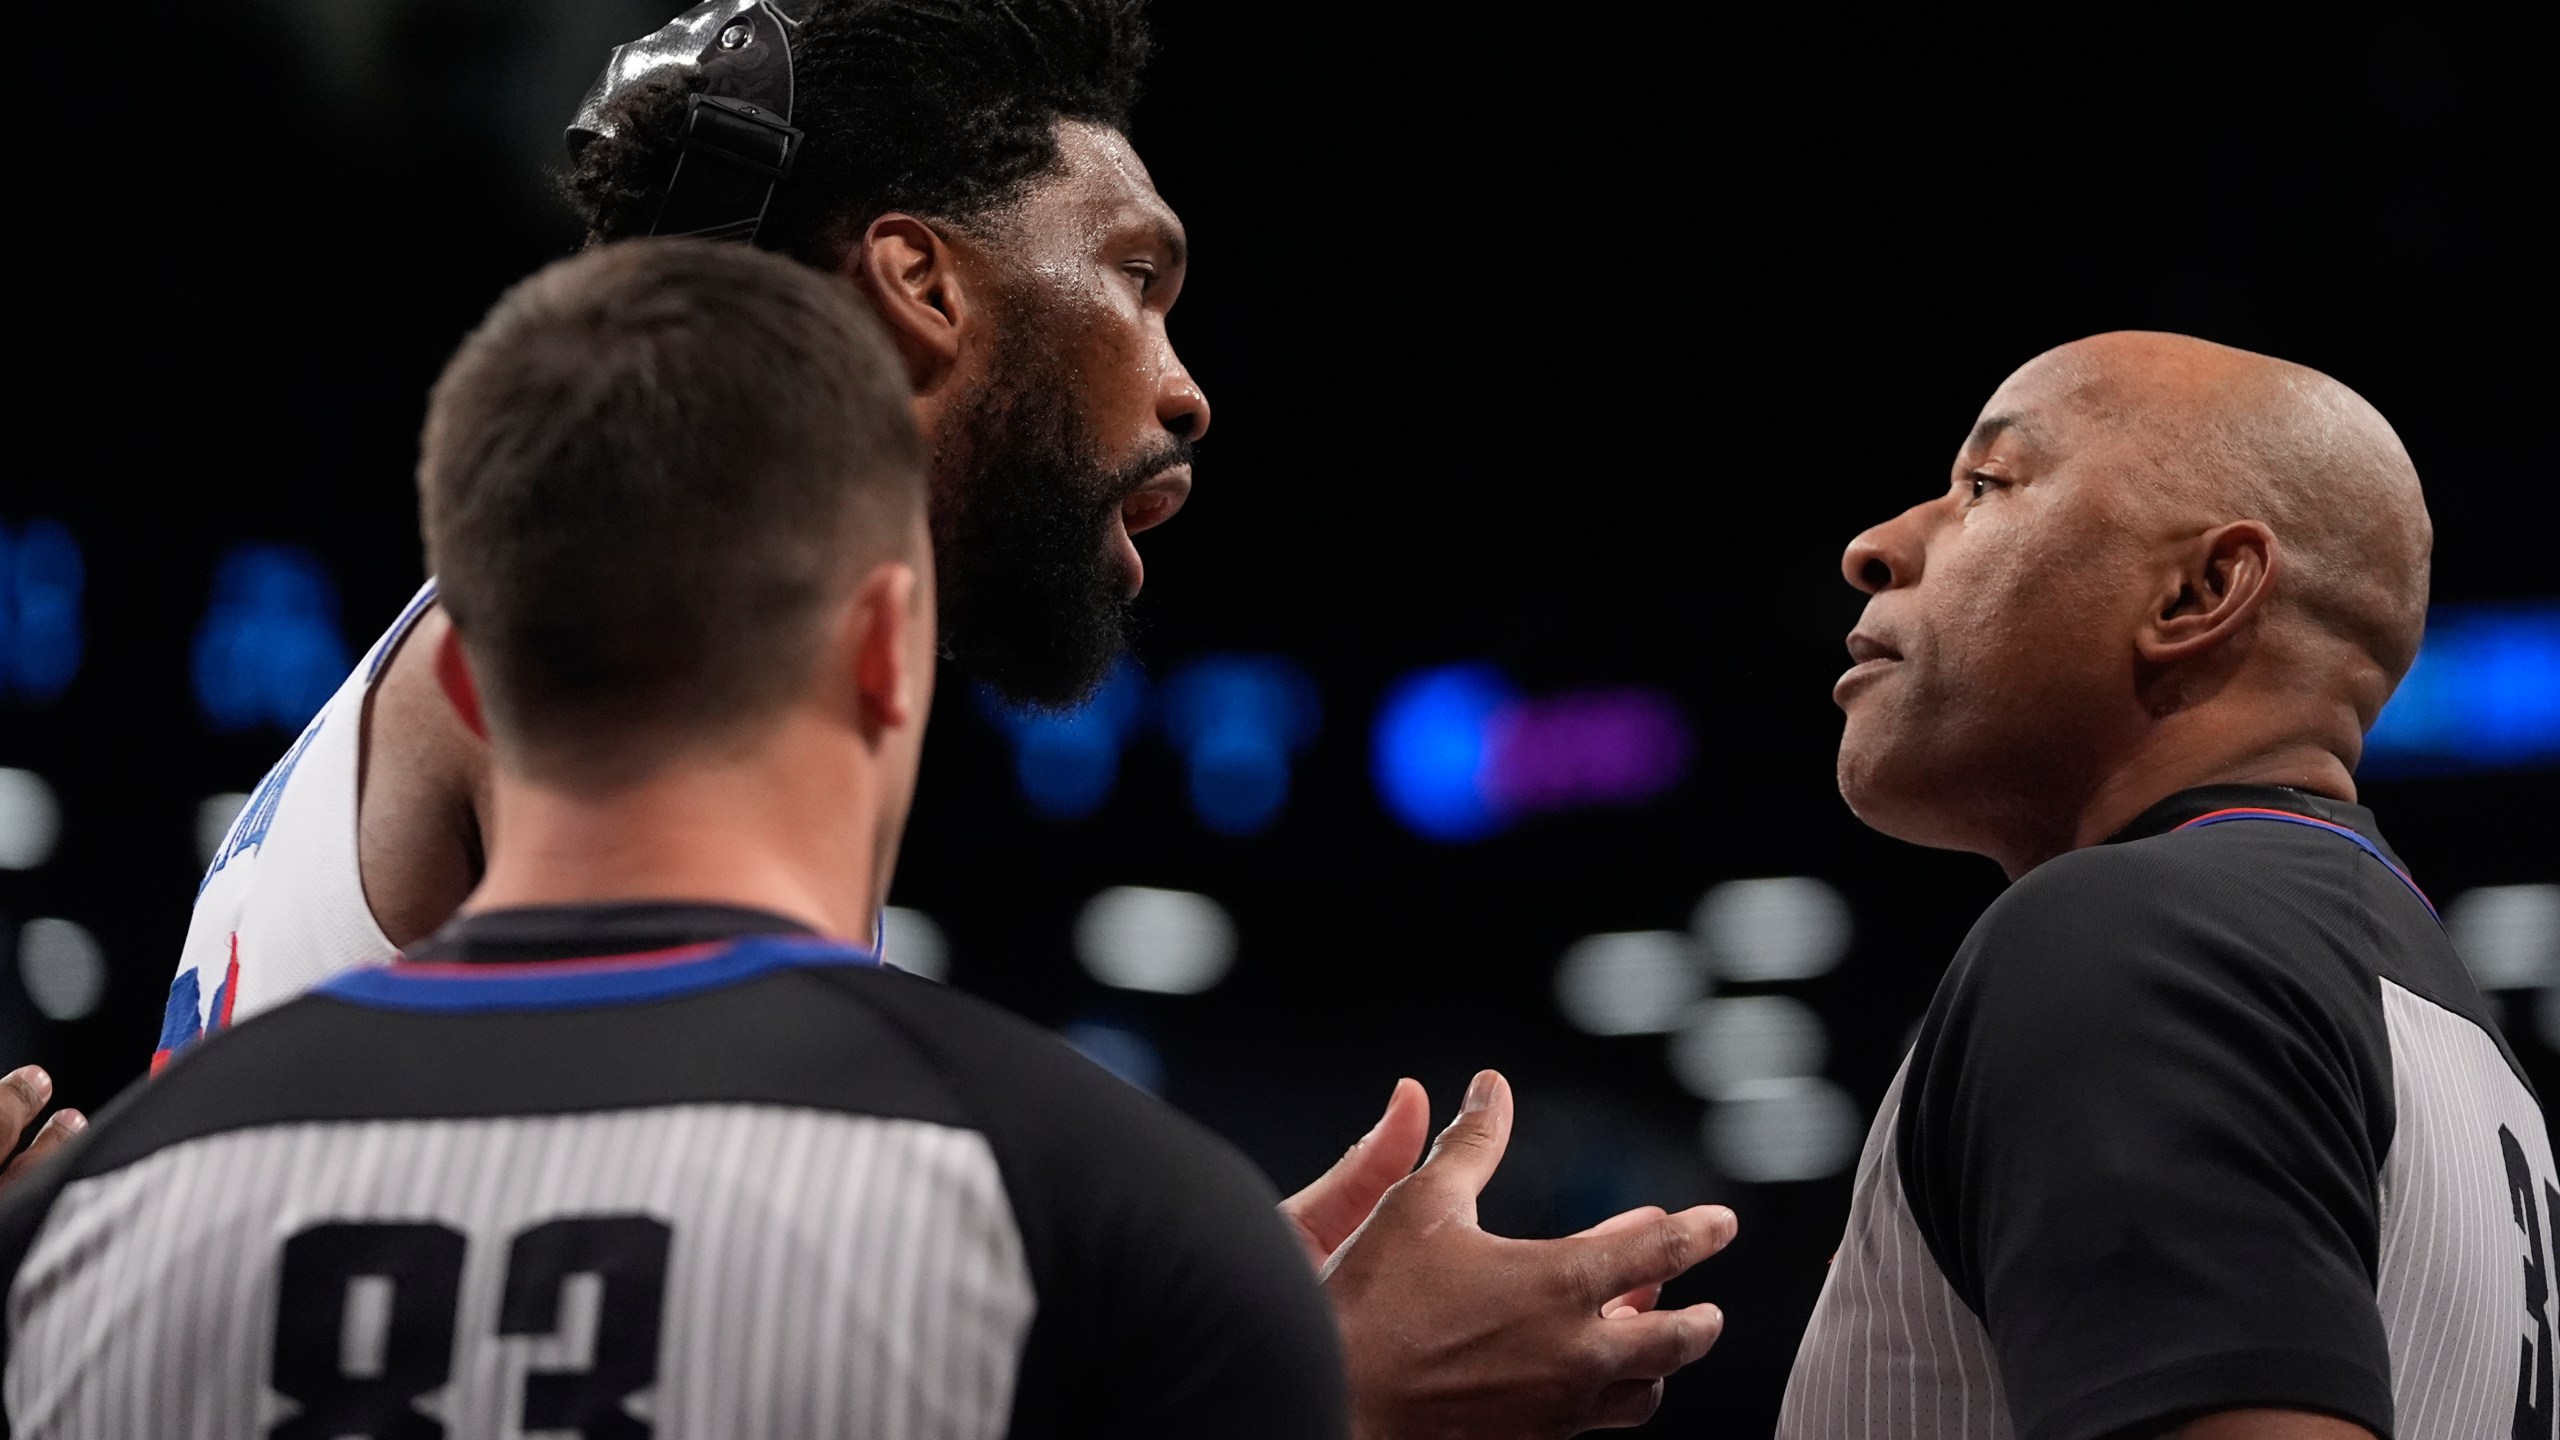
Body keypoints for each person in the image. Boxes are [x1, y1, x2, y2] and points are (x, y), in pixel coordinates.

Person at [123, 3, 1740, 1435]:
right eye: (1136, 275)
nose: (1186, 387)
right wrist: (1301, 1381)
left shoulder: (536, 619)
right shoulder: (648, 631)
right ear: (920, 281)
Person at [1, 238, 1356, 1439]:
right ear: (889, 651)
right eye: (1131, 273)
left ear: (463, 674)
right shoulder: (1115, 1227)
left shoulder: (87, 1224)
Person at [1779, 331, 2558, 1440]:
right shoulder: (2437, 1014)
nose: (1873, 547)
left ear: (2199, 591)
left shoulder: (2132, 936)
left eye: (1983, 486)